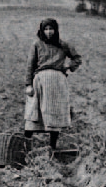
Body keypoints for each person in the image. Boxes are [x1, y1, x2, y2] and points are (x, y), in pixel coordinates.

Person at [24, 18, 82, 149]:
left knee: (54, 113)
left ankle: (52, 147)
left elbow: (77, 58)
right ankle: (26, 146)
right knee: (33, 112)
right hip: (40, 81)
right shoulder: (37, 44)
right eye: (46, 29)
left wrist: (68, 65)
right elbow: (30, 65)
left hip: (57, 83)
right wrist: (28, 84)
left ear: (56, 30)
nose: (49, 32)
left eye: (51, 29)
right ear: (42, 30)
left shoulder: (63, 44)